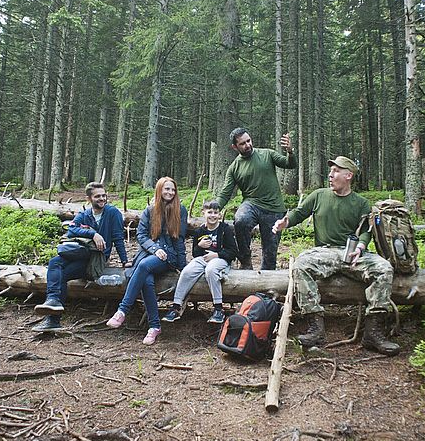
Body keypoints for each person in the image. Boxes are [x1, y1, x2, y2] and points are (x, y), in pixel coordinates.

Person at [272, 156, 399, 355]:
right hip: (325, 252)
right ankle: (316, 327)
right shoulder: (319, 195)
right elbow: (299, 212)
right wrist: (284, 222)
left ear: (348, 176)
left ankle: (373, 332)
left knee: (384, 269)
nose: (330, 175)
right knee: (301, 265)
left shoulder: (361, 203)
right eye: (330, 172)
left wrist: (361, 247)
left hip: (352, 252)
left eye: (336, 171)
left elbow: (366, 230)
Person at [33, 182, 130, 332]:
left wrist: (125, 261)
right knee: (55, 263)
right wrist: (93, 234)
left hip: (96, 260)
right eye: (98, 196)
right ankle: (52, 310)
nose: (102, 198)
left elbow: (118, 238)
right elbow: (71, 230)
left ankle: (52, 315)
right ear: (89, 198)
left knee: (60, 271)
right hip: (80, 255)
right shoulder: (85, 214)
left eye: (104, 195)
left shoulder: (112, 213)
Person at [106, 176, 188, 345]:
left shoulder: (181, 210)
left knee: (143, 267)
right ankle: (154, 327)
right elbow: (141, 236)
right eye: (166, 189)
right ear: (159, 190)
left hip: (168, 256)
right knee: (147, 281)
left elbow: (179, 239)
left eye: (173, 189)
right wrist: (154, 249)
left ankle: (122, 310)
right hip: (148, 253)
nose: (170, 192)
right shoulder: (150, 210)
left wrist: (182, 266)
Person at [215, 127, 296, 271]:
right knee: (241, 220)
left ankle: (265, 288)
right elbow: (225, 193)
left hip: (274, 209)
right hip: (251, 204)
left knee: (270, 256)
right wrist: (214, 208)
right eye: (242, 143)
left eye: (248, 140)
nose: (247, 145)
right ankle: (245, 260)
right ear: (235, 147)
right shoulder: (234, 168)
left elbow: (290, 164)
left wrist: (290, 151)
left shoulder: (267, 154)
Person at [162, 199, 239, 325]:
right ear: (203, 213)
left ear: (219, 214)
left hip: (220, 260)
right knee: (187, 271)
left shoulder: (225, 229)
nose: (212, 215)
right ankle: (176, 306)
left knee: (211, 270)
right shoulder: (199, 231)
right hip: (202, 259)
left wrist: (217, 254)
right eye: (209, 212)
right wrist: (199, 245)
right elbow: (195, 254)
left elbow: (233, 251)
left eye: (215, 212)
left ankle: (218, 309)